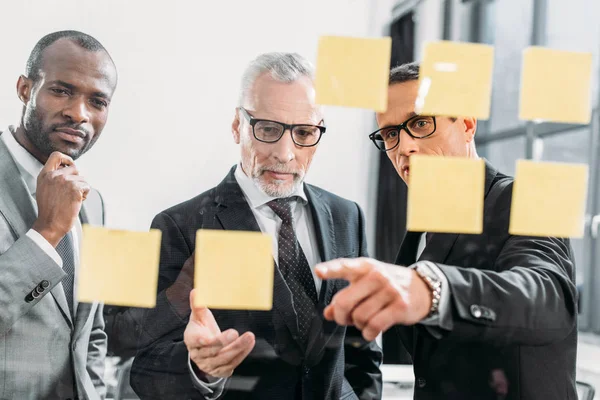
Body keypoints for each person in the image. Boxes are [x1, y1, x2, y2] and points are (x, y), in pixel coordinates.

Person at [316, 62, 577, 400]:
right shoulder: (422, 230)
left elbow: (549, 298)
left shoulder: (527, 198)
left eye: (421, 123)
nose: (404, 146)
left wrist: (433, 288)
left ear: (467, 124)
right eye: (391, 133)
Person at [129, 52, 383, 400]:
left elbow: (362, 352)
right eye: (267, 129)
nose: (285, 152)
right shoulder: (180, 226)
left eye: (305, 132)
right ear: (238, 126)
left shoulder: (346, 216)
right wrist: (201, 368)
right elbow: (145, 369)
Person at [0, 31, 118, 399]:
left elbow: (90, 333)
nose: (79, 114)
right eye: (62, 91)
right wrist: (46, 231)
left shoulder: (92, 203)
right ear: (24, 89)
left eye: (97, 101)